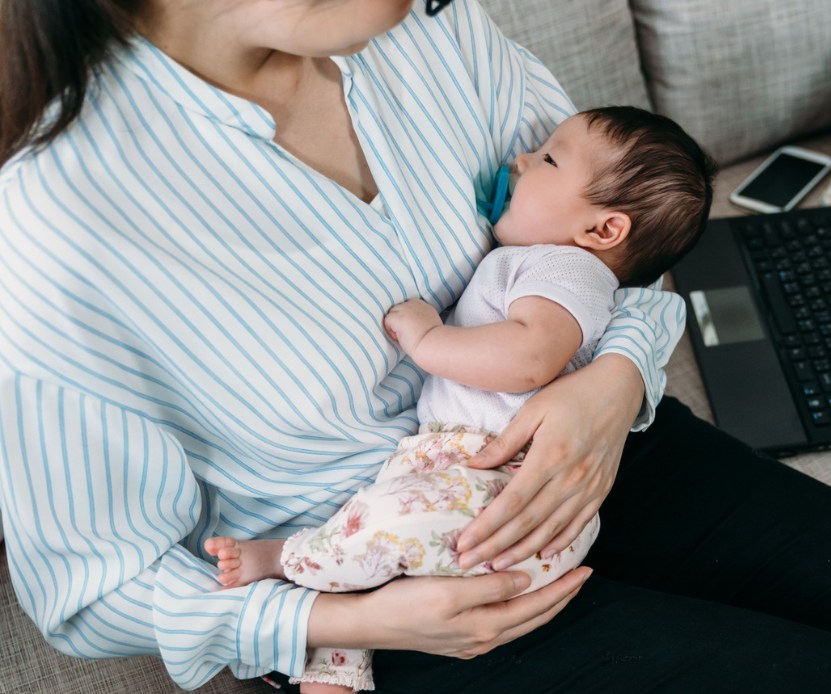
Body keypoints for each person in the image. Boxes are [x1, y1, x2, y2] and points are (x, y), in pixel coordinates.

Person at [0, 1, 831, 692]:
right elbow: (92, 588)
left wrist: (611, 384)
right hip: (387, 572)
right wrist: (352, 624)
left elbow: (612, 242)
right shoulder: (55, 217)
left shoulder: (430, 29)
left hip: (582, 447)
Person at [203, 104, 716, 693]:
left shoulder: (566, 269)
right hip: (470, 483)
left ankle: (286, 560)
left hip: (496, 480)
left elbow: (528, 360)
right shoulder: (552, 265)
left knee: (385, 524)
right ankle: (332, 673)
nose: (519, 161)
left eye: (547, 158)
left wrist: (428, 339)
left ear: (603, 230)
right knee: (385, 545)